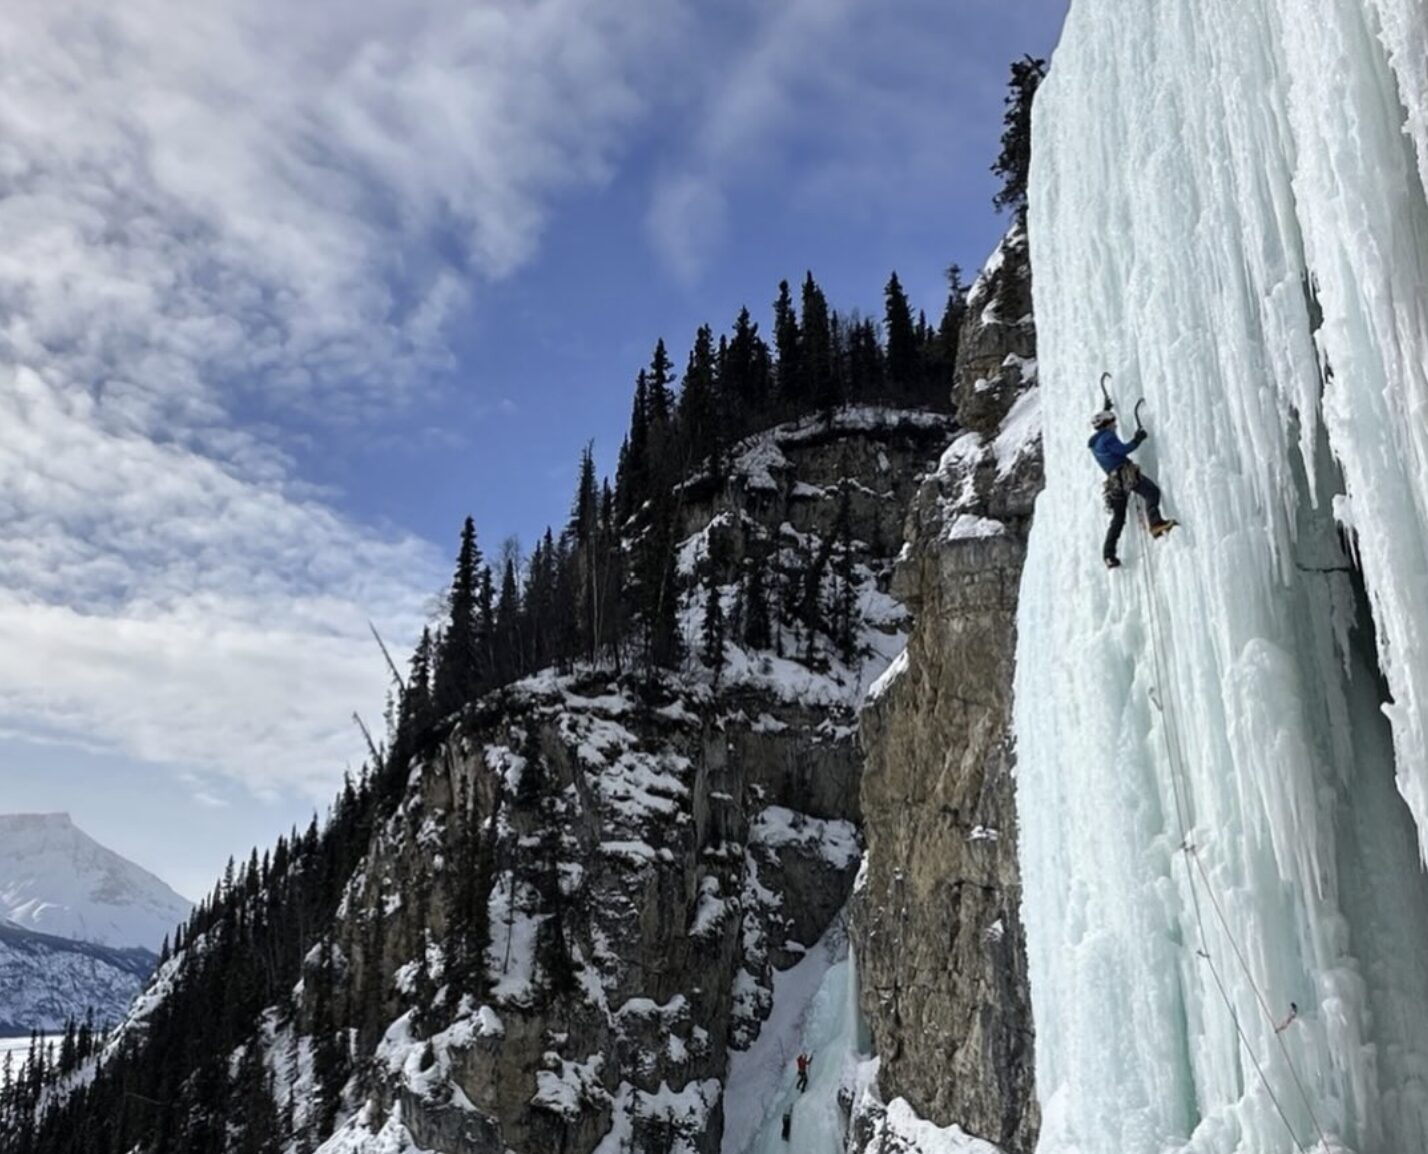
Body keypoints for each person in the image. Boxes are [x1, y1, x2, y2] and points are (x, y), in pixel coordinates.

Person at [1089, 410, 1177, 568]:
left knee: (1118, 518)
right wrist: (1137, 439)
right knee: (1152, 492)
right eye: (1112, 422)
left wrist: (1106, 407)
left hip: (1114, 482)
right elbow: (1123, 449)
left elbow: (1109, 444)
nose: (1115, 425)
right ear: (1107, 424)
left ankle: (1108, 554)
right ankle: (1155, 522)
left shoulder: (1095, 443)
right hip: (1125, 475)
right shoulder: (1108, 437)